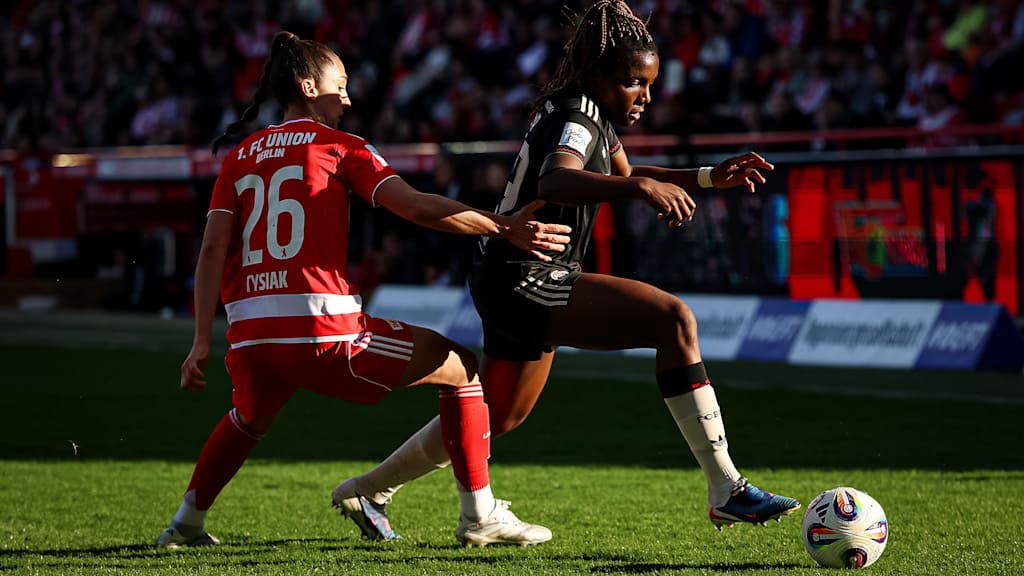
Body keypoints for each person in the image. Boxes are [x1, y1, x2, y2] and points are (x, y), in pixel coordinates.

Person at [333, 0, 800, 541]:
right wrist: (638, 188)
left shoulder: (588, 112)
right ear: (598, 74)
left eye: (649, 85)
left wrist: (708, 177)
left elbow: (626, 171)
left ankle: (371, 488)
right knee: (673, 320)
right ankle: (726, 488)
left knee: (497, 414)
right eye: (633, 83)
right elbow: (558, 179)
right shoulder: (576, 115)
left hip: (507, 272)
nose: (645, 97)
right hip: (523, 273)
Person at [155, 30, 573, 549]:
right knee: (463, 369)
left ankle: (185, 524)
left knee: (248, 419)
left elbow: (212, 251)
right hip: (322, 329)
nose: (348, 99)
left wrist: (201, 340)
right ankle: (479, 515)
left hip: (252, 336)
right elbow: (416, 207)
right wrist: (504, 226)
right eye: (341, 84)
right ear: (309, 87)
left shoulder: (238, 157)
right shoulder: (340, 146)